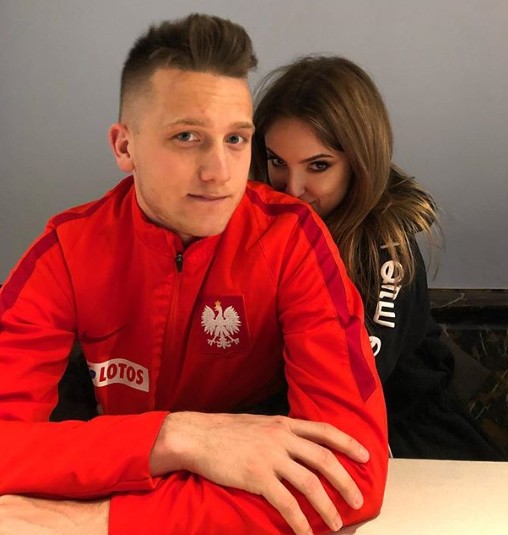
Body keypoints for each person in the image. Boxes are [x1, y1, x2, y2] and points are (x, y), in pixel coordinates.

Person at [0, 15, 388, 535]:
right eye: (187, 136)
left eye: (236, 139)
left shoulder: (293, 239)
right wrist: (174, 437)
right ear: (124, 147)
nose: (219, 172)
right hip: (193, 493)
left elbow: (353, 477)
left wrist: (94, 521)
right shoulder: (67, 250)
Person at [251, 55, 504, 461]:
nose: (292, 188)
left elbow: (349, 385)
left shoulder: (385, 245)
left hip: (411, 440)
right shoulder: (258, 220)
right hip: (292, 434)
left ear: (359, 163)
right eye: (277, 161)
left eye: (318, 166)